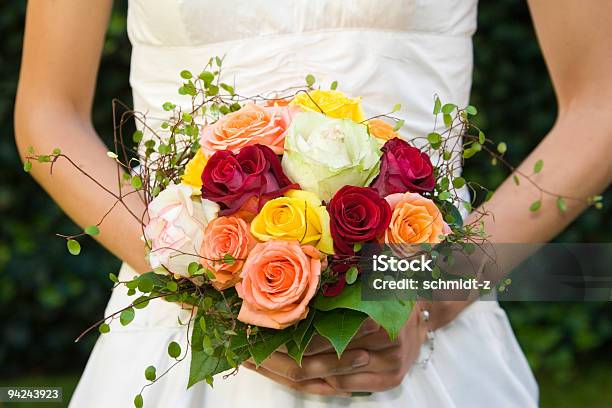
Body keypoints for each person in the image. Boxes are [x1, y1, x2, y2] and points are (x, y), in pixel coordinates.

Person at [14, 0, 612, 407]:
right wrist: (200, 274)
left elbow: (599, 103)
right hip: (187, 341)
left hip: (422, 342)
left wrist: (427, 295)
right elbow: (49, 112)